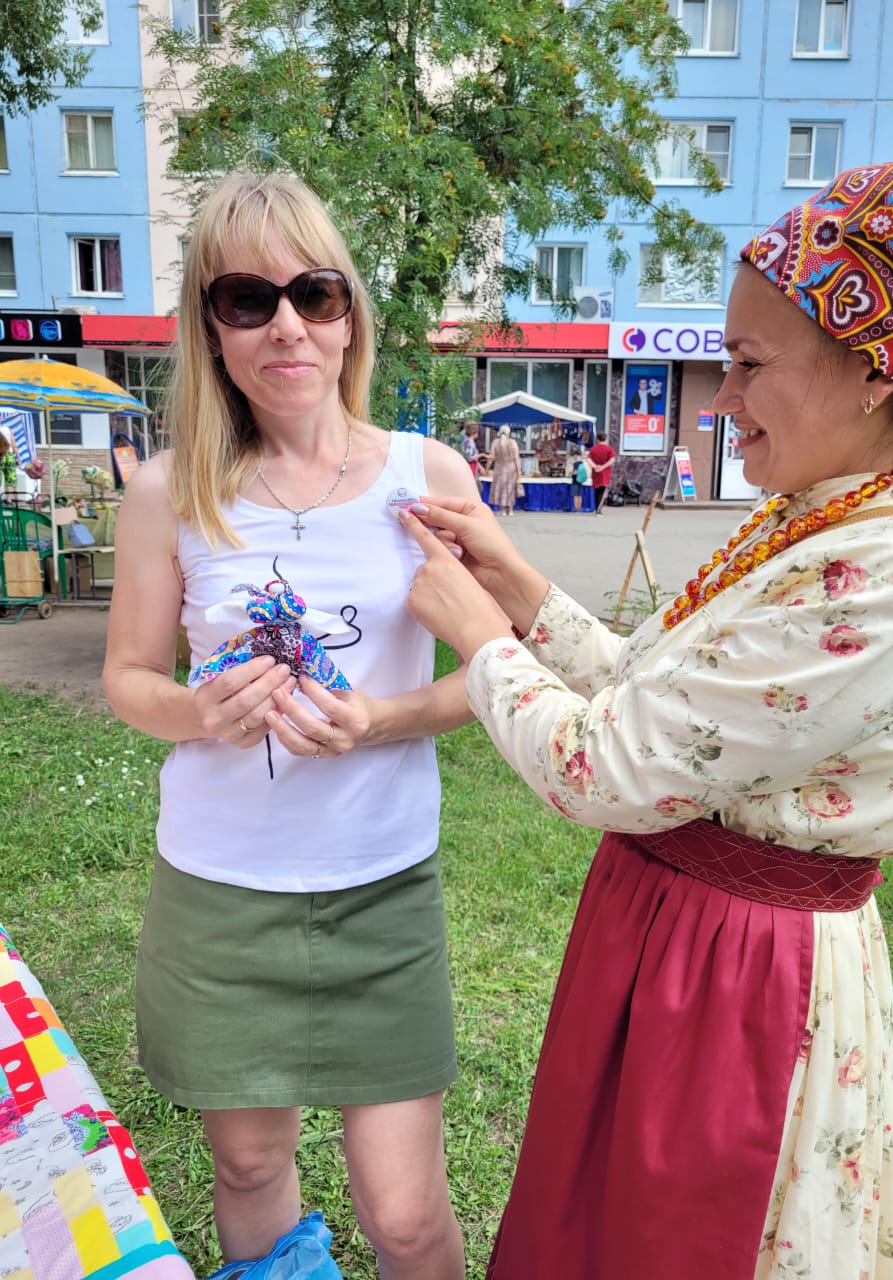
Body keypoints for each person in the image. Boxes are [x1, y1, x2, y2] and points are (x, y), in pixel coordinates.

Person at [400, 159, 893, 1278]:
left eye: (750, 364)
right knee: (608, 1221)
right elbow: (652, 691)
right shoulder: (820, 516)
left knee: (692, 1232)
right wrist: (515, 579)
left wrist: (481, 638)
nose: (722, 400)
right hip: (681, 935)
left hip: (743, 976)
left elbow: (610, 764)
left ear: (868, 368)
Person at [102, 170, 478, 1280]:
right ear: (208, 327)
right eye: (245, 299)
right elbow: (128, 673)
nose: (286, 326)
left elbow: (497, 675)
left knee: (406, 1212)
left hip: (381, 890)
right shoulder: (170, 489)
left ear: (349, 310)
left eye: (313, 293)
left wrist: (381, 719)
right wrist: (197, 709)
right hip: (221, 893)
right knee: (252, 1166)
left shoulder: (427, 477)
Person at [488, 423, 522, 516]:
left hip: (499, 468)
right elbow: (516, 458)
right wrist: (519, 472)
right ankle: (510, 510)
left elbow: (491, 457)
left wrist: (487, 468)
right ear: (509, 432)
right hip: (511, 468)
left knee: (500, 488)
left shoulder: (495, 442)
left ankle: (502, 509)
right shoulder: (513, 442)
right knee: (510, 489)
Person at [586, 431, 615, 513]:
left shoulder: (593, 449)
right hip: (605, 473)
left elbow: (588, 459)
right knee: (602, 491)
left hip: (595, 473)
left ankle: (596, 507)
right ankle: (599, 509)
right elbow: (612, 460)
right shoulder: (609, 449)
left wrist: (595, 466)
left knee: (596, 490)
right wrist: (603, 467)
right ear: (605, 439)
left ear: (597, 439)